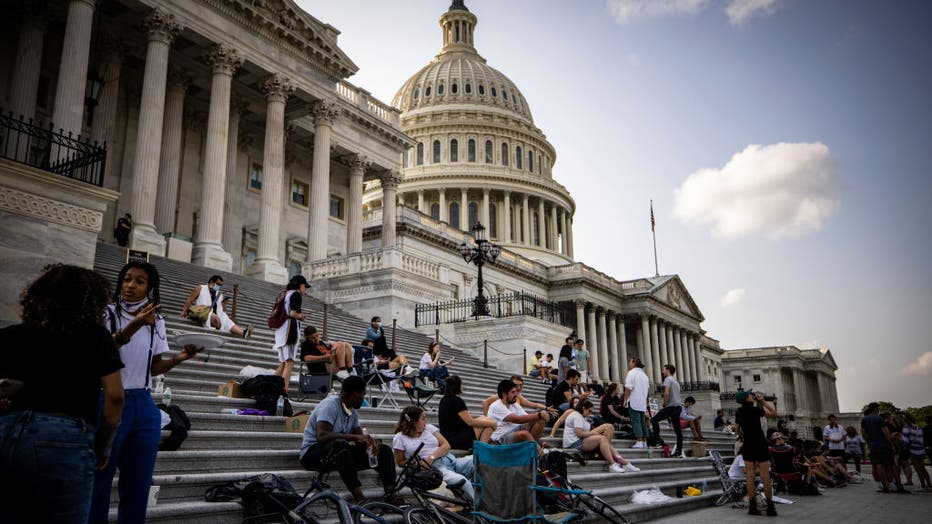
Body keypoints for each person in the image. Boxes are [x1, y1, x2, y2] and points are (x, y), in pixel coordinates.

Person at [0, 265, 124, 523]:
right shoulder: (95, 336)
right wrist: (103, 445)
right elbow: (114, 396)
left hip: (8, 428)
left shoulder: (12, 334)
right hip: (63, 436)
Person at [90, 261, 201, 523]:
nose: (130, 285)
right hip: (109, 401)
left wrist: (179, 358)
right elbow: (102, 352)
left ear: (150, 289)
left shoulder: (156, 321)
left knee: (138, 483)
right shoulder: (106, 314)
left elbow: (152, 367)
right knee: (99, 479)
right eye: (127, 279)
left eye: (139, 281)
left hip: (143, 404)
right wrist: (137, 323)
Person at [299, 376, 400, 504]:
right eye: (362, 394)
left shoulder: (352, 412)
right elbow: (322, 436)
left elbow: (359, 437)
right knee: (340, 445)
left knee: (384, 450)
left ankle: (391, 493)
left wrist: (371, 442)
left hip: (338, 455)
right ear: (353, 394)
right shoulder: (330, 405)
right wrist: (354, 437)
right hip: (312, 455)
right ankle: (360, 499)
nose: (363, 398)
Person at [392, 405, 476, 501]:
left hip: (449, 460)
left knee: (479, 460)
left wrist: (431, 457)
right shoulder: (400, 437)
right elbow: (400, 462)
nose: (426, 421)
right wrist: (413, 463)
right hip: (435, 470)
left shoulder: (429, 428)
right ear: (413, 421)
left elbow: (446, 445)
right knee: (463, 482)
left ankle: (482, 498)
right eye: (423, 418)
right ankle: (480, 511)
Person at [563, 399, 639, 474]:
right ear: (583, 408)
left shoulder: (582, 416)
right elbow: (579, 434)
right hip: (574, 443)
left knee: (608, 426)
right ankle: (612, 463)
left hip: (580, 439)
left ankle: (622, 461)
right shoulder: (577, 416)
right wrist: (595, 434)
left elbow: (584, 433)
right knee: (602, 439)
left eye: (591, 411)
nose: (590, 413)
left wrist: (594, 433)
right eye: (589, 411)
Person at [734, 390, 779, 516]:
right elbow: (774, 414)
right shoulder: (755, 410)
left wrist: (744, 432)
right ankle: (770, 507)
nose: (752, 396)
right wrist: (762, 401)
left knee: (750, 476)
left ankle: (752, 507)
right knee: (765, 475)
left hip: (748, 444)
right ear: (747, 399)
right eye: (750, 395)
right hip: (759, 443)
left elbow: (737, 430)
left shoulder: (739, 412)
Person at [179, 275, 252, 338]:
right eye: (217, 284)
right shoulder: (200, 288)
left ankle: (243, 333)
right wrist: (184, 312)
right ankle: (217, 332)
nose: (218, 286)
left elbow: (222, 310)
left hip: (218, 314)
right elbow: (190, 300)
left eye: (220, 285)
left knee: (228, 322)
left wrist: (224, 304)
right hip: (204, 312)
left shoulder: (220, 294)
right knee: (215, 318)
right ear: (211, 282)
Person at [438, 375, 497, 449]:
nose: (462, 386)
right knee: (489, 426)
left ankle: (480, 451)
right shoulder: (457, 401)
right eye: (461, 384)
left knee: (484, 418)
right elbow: (470, 422)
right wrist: (493, 423)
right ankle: (480, 454)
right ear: (458, 386)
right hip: (455, 439)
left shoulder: (444, 399)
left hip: (448, 437)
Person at [488, 379, 550, 447]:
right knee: (524, 434)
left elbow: (527, 418)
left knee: (539, 420)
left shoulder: (514, 405)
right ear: (504, 394)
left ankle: (532, 448)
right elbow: (518, 420)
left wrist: (540, 415)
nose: (516, 395)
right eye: (513, 392)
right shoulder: (496, 406)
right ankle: (540, 455)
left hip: (514, 433)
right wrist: (539, 414)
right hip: (500, 438)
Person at [273, 275, 309, 392]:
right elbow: (293, 313)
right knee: (289, 362)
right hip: (290, 331)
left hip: (280, 330)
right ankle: (283, 390)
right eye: (304, 286)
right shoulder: (296, 295)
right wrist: (301, 316)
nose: (305, 289)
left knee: (283, 362)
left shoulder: (284, 294)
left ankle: (269, 386)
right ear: (300, 285)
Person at [861, 402, 905, 493]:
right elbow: (886, 432)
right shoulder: (879, 418)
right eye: (878, 408)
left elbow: (863, 433)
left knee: (879, 465)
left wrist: (868, 442)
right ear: (876, 409)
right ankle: (896, 485)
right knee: (890, 465)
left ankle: (885, 486)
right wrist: (891, 444)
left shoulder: (864, 419)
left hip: (872, 445)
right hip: (883, 445)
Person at [651, 364, 684, 457]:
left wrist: (664, 404)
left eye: (664, 370)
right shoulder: (676, 382)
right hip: (678, 407)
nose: (662, 372)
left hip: (671, 406)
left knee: (654, 420)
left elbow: (666, 393)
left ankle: (658, 442)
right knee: (678, 430)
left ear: (668, 370)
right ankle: (679, 451)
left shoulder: (668, 379)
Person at [482, 374, 551, 415]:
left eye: (520, 385)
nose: (518, 388)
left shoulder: (519, 397)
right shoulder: (502, 396)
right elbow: (485, 402)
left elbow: (534, 405)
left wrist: (547, 408)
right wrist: (487, 419)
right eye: (516, 385)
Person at [623, 357, 650, 449]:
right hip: (642, 402)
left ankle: (639, 441)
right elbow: (648, 391)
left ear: (634, 363)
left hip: (634, 400)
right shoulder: (644, 375)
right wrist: (646, 403)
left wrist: (625, 399)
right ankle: (644, 441)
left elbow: (628, 388)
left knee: (636, 421)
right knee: (642, 421)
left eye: (630, 362)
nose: (629, 364)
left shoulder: (631, 373)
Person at [900, 413, 930, 490]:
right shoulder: (918, 427)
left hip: (913, 451)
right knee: (923, 468)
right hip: (921, 450)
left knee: (918, 469)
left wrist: (905, 450)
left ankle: (923, 486)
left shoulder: (906, 428)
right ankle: (929, 484)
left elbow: (905, 442)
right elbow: (921, 439)